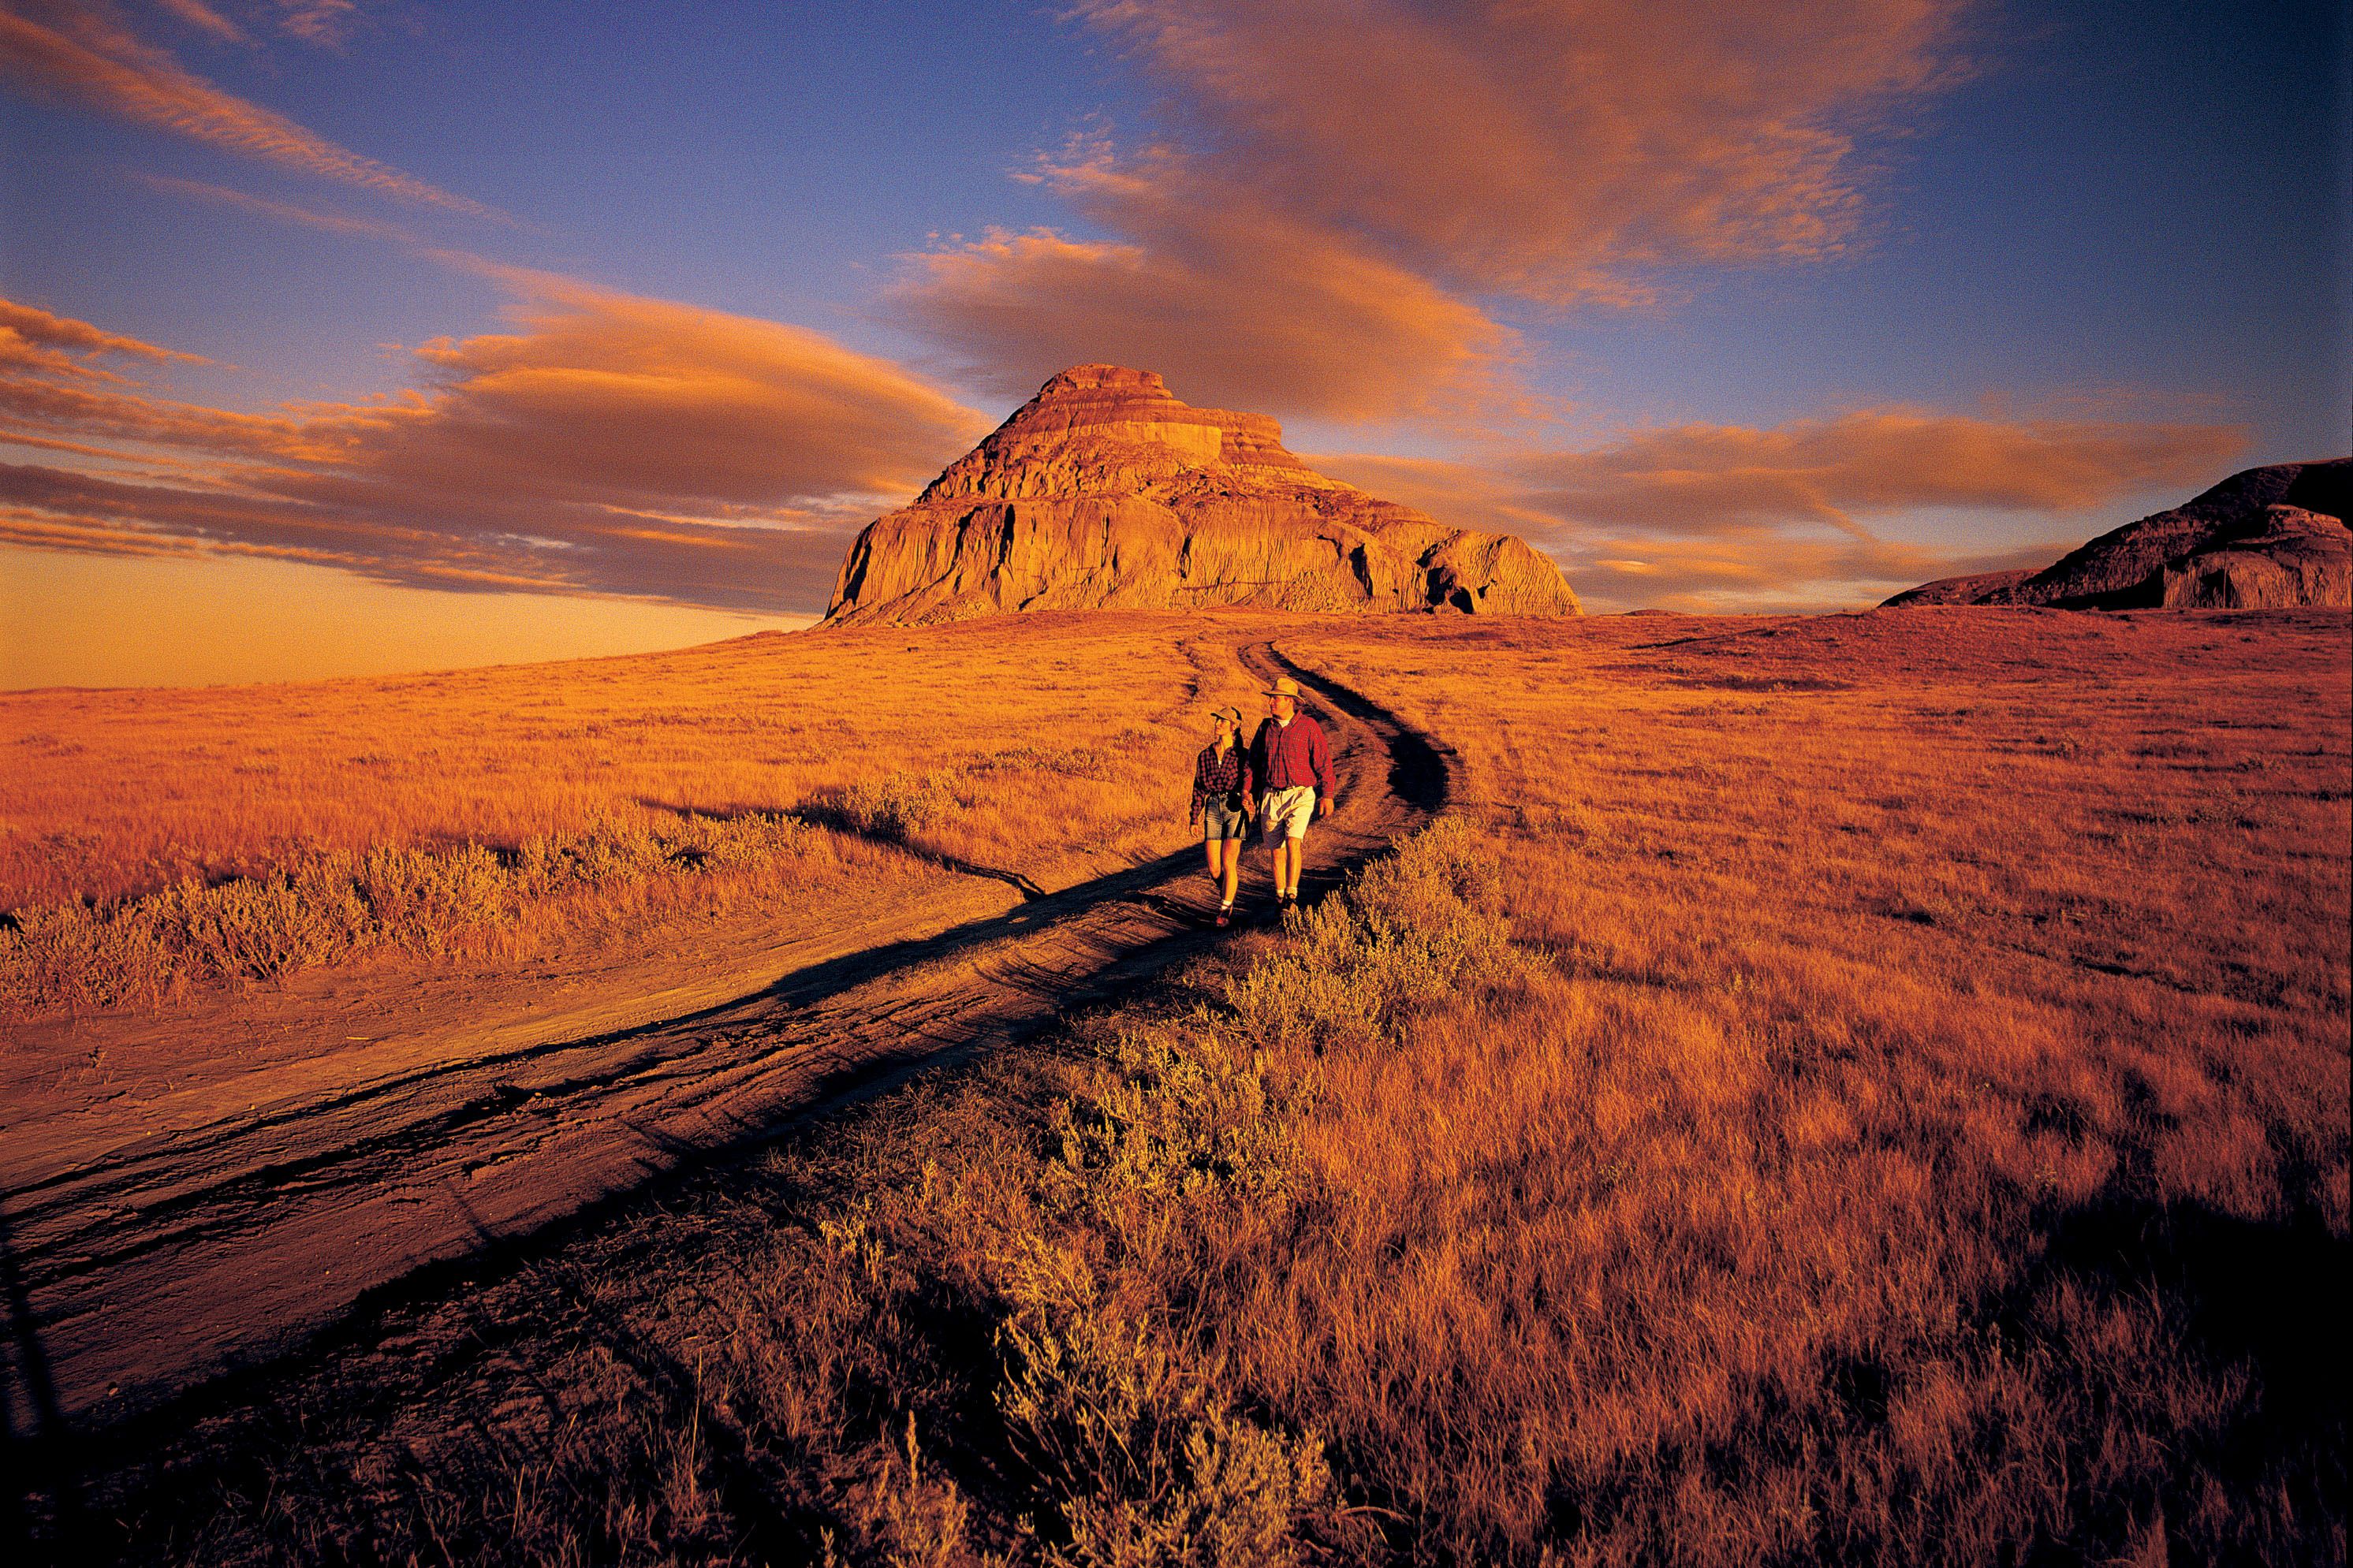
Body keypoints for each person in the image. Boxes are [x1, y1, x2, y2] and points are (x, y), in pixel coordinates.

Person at [1244, 675, 1335, 911]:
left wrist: (1327, 795)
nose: (1271, 702)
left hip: (1301, 794)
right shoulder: (1266, 728)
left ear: (1290, 702)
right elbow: (1253, 763)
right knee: (1276, 852)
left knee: (1294, 842)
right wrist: (1247, 792)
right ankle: (1280, 896)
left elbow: (1323, 762)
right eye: (1272, 699)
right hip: (1272, 796)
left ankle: (1292, 897)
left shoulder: (1308, 727)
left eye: (1276, 698)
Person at [1187, 704, 1251, 927]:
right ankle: (1229, 894)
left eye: (1223, 721)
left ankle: (1224, 909)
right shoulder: (1204, 755)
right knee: (1214, 867)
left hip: (1235, 807)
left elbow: (1249, 781)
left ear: (1234, 727)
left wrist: (1248, 798)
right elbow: (1198, 787)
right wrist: (1194, 817)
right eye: (1217, 720)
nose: (1218, 724)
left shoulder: (1243, 755)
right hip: (1213, 807)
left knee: (1228, 863)